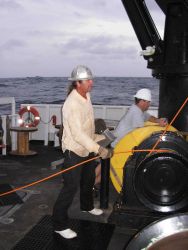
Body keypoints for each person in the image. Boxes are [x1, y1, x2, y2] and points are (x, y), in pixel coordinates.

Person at [52, 65, 112, 239]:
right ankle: (59, 225)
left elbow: (88, 125)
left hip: (88, 146)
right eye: (88, 80)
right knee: (69, 188)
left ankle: (86, 206)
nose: (91, 83)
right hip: (74, 150)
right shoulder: (71, 104)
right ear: (78, 83)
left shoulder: (87, 96)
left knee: (89, 179)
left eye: (91, 79)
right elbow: (77, 134)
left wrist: (98, 140)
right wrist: (98, 148)